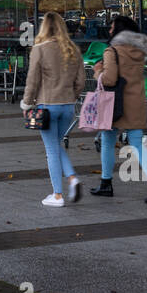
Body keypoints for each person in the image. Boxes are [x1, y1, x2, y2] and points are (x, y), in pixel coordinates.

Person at [20, 11, 87, 207]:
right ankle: (72, 178)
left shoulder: (39, 49)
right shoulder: (73, 49)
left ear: (44, 28)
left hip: (47, 106)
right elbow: (81, 81)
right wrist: (71, 96)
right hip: (67, 106)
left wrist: (27, 103)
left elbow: (32, 81)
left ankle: (58, 195)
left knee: (51, 150)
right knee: (57, 145)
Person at [92, 15, 147, 203]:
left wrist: (97, 70)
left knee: (107, 141)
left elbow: (109, 79)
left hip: (115, 105)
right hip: (136, 102)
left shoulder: (112, 51)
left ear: (120, 30)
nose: (110, 30)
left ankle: (106, 183)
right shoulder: (139, 51)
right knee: (138, 145)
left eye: (112, 27)